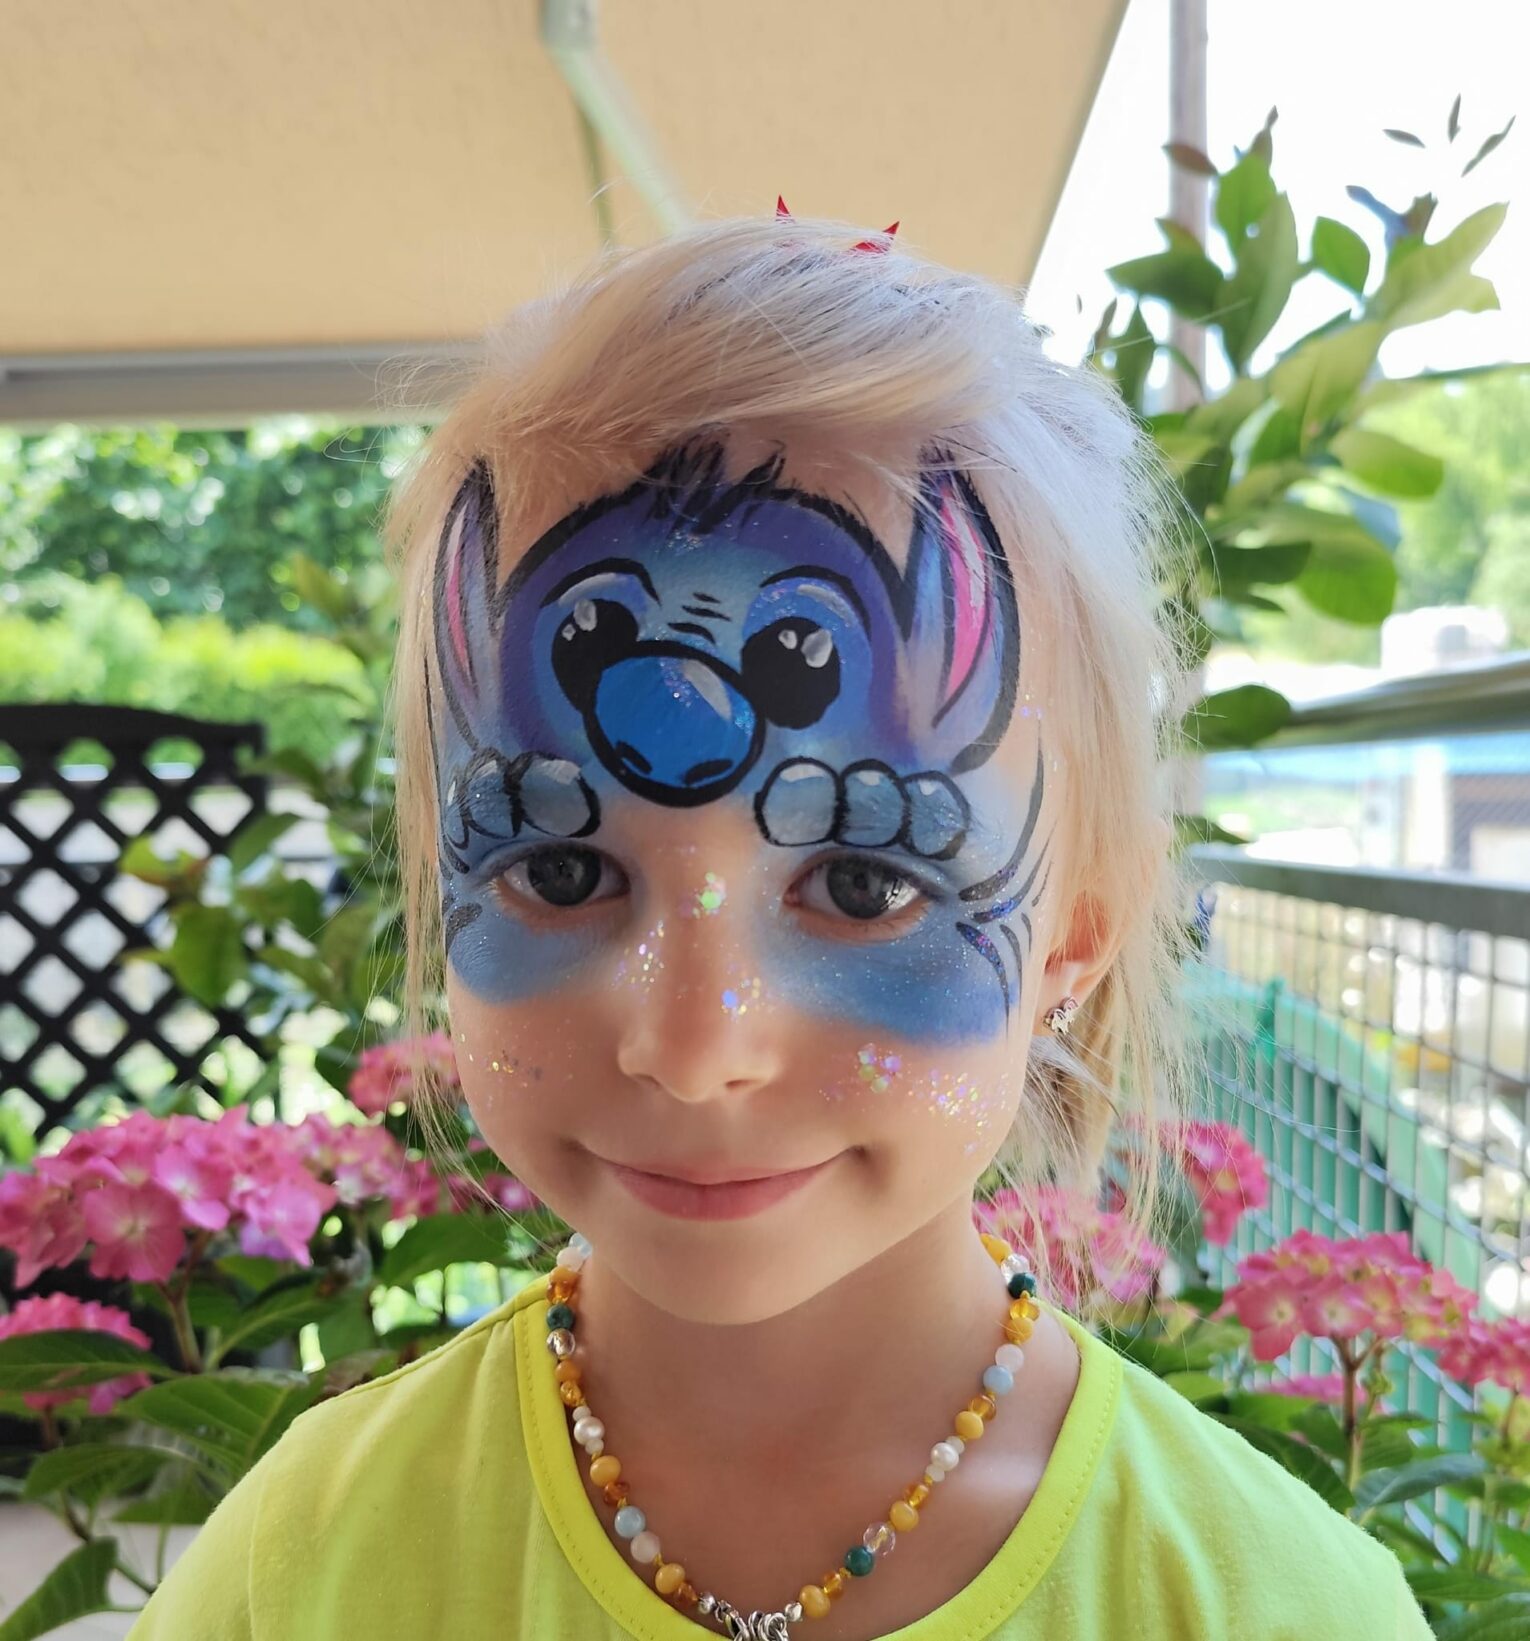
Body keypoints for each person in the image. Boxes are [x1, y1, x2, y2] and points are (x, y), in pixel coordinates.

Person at [128, 213, 1430, 1639]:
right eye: (561, 870)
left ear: (1074, 933)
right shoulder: (302, 1568)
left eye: (864, 886)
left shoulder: (1280, 1609)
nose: (695, 1049)